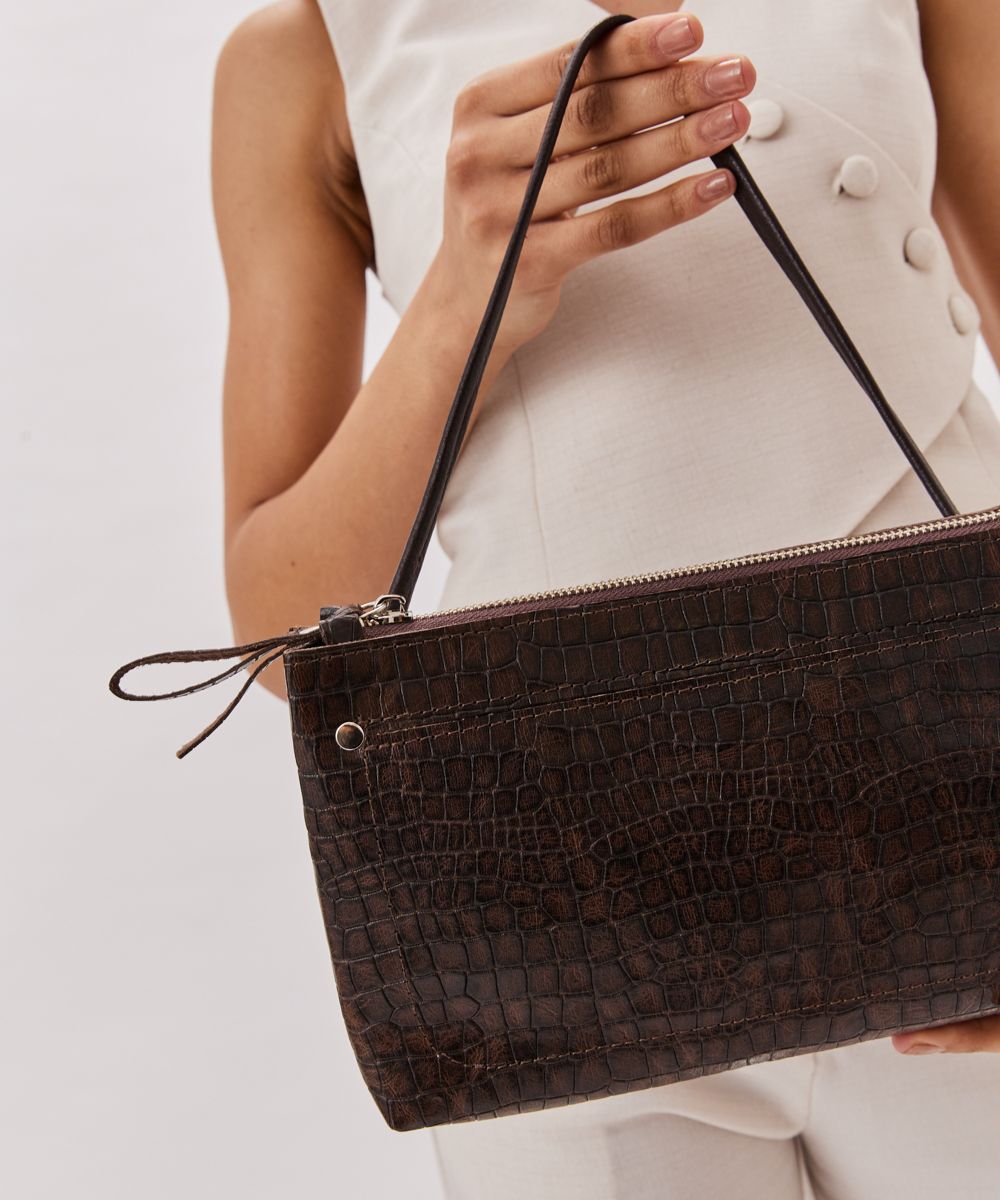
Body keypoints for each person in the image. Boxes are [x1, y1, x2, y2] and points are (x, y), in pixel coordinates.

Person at [210, 2, 1000, 1196]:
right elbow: (282, 638)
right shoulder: (305, 55)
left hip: (959, 813)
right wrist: (464, 297)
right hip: (569, 900)